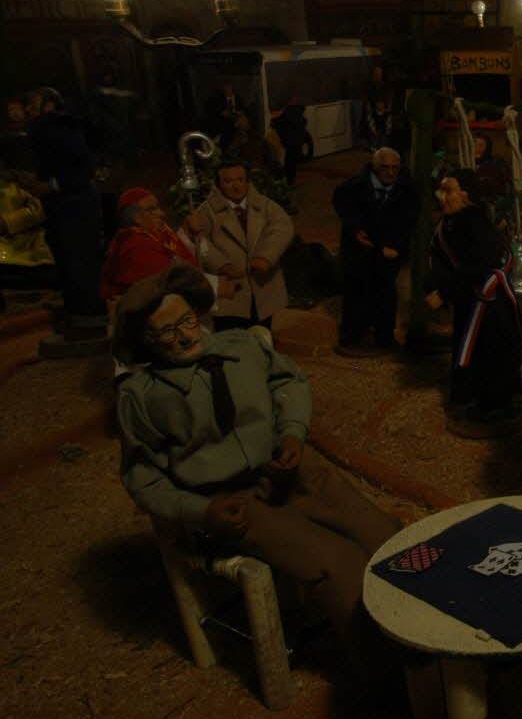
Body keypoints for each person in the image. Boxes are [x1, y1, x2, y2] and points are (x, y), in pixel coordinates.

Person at [113, 264, 401, 659]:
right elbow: (142, 475)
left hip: (287, 470)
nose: (185, 336)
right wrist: (201, 511)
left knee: (382, 533)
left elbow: (288, 381)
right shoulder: (142, 396)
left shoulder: (241, 347)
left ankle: (432, 617)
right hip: (231, 501)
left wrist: (292, 433)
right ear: (146, 339)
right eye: (167, 331)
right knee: (339, 565)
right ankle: (389, 662)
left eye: (187, 321)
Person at [425, 169, 522, 431]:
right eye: (441, 190)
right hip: (468, 297)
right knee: (473, 348)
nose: (442, 196)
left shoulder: (475, 222)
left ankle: (495, 407)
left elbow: (482, 262)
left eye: (448, 191)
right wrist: (435, 286)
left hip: (488, 302)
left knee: (491, 353)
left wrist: (444, 292)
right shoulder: (449, 223)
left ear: (466, 195)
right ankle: (473, 396)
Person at [16, 87, 108, 342]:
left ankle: (90, 320)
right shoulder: (42, 130)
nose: (28, 108)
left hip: (75, 207)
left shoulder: (61, 127)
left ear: (49, 105)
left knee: (80, 262)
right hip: (62, 207)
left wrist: (52, 185)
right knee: (68, 262)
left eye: (34, 103)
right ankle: (78, 315)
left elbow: (83, 169)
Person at [332, 148, 417, 355]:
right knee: (356, 293)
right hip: (361, 251)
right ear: (375, 167)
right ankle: (353, 336)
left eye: (394, 168)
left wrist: (396, 246)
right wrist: (355, 228)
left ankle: (383, 337)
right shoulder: (355, 187)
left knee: (385, 294)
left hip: (388, 252)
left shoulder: (405, 189)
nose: (390, 173)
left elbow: (407, 220)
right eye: (385, 168)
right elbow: (342, 202)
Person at [193, 162, 294, 331]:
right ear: (218, 184)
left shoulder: (265, 205)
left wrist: (266, 257)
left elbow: (282, 229)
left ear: (247, 181)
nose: (236, 186)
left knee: (267, 330)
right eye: (228, 181)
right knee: (234, 332)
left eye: (240, 180)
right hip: (232, 290)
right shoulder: (207, 212)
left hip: (264, 285)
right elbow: (200, 241)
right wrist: (222, 264)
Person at [100, 188, 199, 301]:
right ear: (137, 218)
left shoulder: (159, 233)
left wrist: (189, 236)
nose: (162, 213)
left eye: (158, 207)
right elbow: (172, 282)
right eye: (152, 209)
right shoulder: (134, 244)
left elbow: (182, 261)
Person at [270, 102, 312, 187]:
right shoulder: (298, 119)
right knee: (291, 162)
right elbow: (307, 139)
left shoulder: (285, 118)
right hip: (294, 143)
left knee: (289, 161)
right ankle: (289, 182)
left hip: (289, 143)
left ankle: (288, 181)